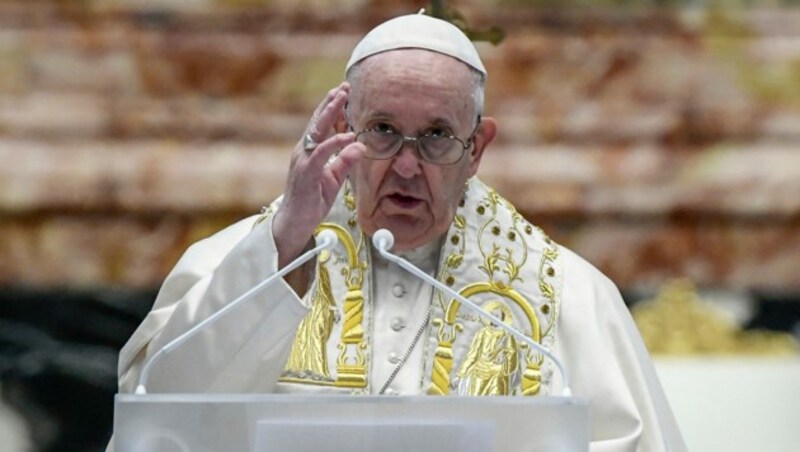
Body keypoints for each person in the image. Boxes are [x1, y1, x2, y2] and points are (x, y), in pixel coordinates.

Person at [115, 13, 686, 451]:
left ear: (476, 149)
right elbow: (162, 422)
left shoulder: (567, 296)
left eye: (437, 135)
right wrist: (286, 243)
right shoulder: (239, 263)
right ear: (343, 129)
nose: (407, 167)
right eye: (382, 130)